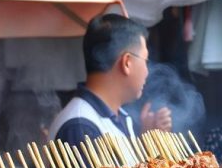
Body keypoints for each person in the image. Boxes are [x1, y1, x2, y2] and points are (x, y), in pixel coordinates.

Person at [48, 13, 164, 145]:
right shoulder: (81, 127)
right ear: (127, 62)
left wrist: (149, 142)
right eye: (145, 61)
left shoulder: (120, 117)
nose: (147, 71)